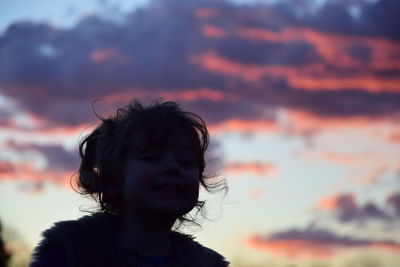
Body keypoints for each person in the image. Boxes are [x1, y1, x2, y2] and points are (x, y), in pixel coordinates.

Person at [30, 100, 229, 267]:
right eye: (151, 158)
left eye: (186, 162)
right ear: (112, 180)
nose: (172, 168)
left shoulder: (206, 264)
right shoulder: (73, 256)